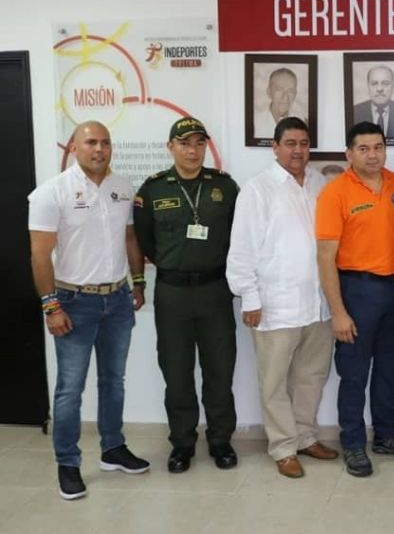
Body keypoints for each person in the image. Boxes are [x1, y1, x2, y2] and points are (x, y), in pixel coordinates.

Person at [28, 121, 149, 500]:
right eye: (91, 142)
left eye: (105, 142)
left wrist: (138, 281)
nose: (99, 149)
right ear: (75, 148)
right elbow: (39, 254)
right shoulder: (52, 192)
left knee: (114, 382)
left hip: (117, 300)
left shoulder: (122, 187)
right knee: (69, 390)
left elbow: (129, 237)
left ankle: (112, 448)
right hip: (73, 303)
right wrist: (51, 306)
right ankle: (68, 462)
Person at [226, 117, 338, 479]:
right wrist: (250, 298)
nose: (298, 150)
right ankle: (283, 447)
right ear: (274, 147)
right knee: (274, 382)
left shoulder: (320, 183)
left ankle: (305, 436)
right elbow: (241, 250)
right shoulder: (257, 190)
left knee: (311, 376)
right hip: (274, 305)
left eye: (304, 143)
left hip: (317, 303)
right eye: (290, 143)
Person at [134, 116, 240, 474]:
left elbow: (238, 238)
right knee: (177, 373)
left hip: (215, 290)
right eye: (184, 143)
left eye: (198, 143)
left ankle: (221, 440)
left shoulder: (225, 188)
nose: (193, 150)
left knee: (220, 370)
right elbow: (145, 241)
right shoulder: (153, 190)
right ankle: (182, 444)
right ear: (171, 148)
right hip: (173, 293)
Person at [316, 121, 394, 477]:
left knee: (391, 368)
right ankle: (354, 442)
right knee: (355, 373)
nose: (372, 154)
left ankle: (386, 434)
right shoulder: (335, 193)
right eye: (363, 148)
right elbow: (325, 256)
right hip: (357, 290)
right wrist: (338, 312)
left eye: (378, 147)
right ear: (349, 153)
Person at [351, 65, 394, 139]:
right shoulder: (355, 112)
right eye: (374, 83)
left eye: (385, 83)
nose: (379, 89)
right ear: (368, 86)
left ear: (393, 86)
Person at [255, 67, 301, 139]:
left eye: (290, 91)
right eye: (279, 89)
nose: (285, 97)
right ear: (269, 92)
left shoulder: (303, 122)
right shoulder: (255, 122)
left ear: (295, 94)